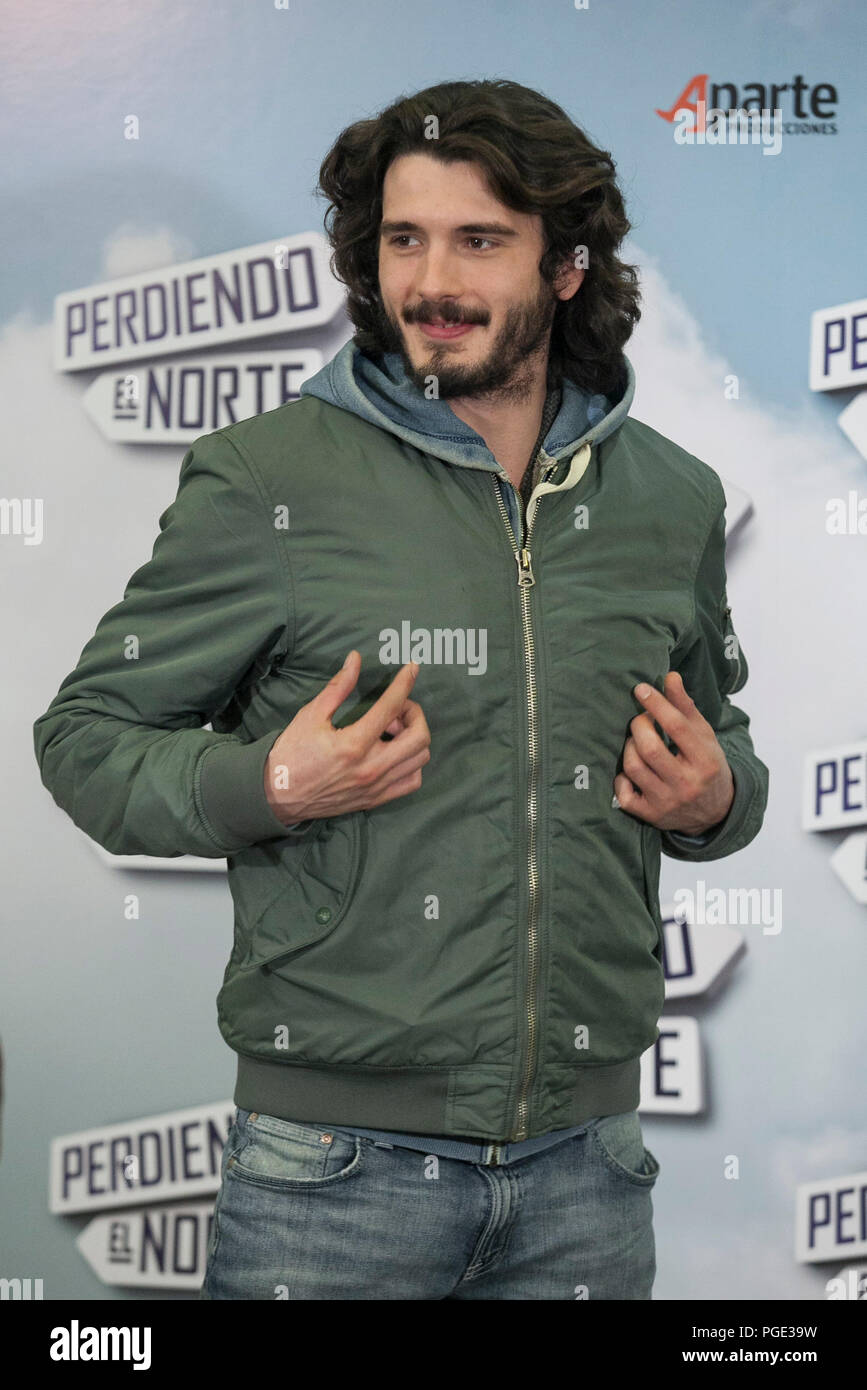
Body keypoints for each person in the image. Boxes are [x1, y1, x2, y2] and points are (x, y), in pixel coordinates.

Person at [33, 78, 769, 1300]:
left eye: (480, 241)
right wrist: (266, 780)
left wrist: (715, 799)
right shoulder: (269, 477)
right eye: (404, 240)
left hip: (590, 1174)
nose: (432, 282)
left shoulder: (672, 499)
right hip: (333, 1178)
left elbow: (724, 755)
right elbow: (86, 736)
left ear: (568, 266)